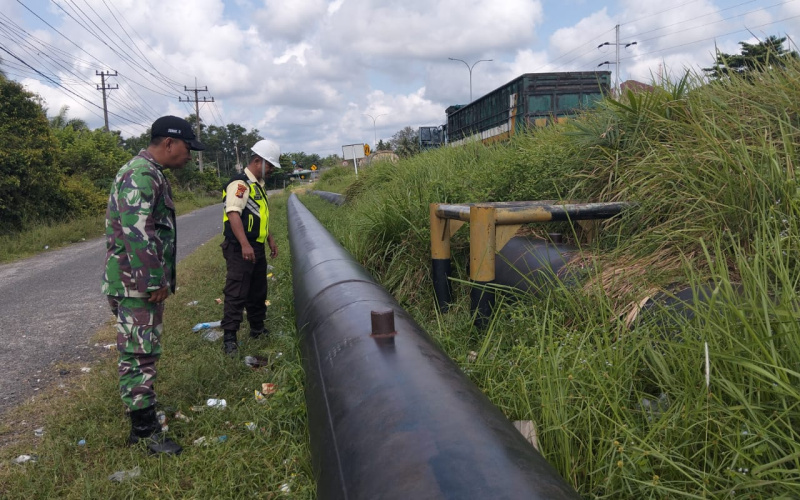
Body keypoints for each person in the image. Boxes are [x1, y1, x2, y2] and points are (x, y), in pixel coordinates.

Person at [102, 115, 205, 455]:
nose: (190, 155)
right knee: (138, 353)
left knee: (141, 350)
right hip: (136, 283)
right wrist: (154, 280)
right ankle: (144, 433)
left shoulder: (146, 171)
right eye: (188, 148)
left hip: (132, 280)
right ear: (169, 143)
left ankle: (143, 415)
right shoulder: (142, 174)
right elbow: (137, 231)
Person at [220, 139, 280, 355]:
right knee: (237, 291)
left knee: (257, 290)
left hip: (256, 246)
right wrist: (245, 244)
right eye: (270, 165)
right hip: (240, 248)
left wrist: (269, 238)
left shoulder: (258, 186)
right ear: (257, 161)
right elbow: (233, 213)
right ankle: (229, 339)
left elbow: (259, 215)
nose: (271, 170)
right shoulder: (240, 184)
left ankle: (257, 328)